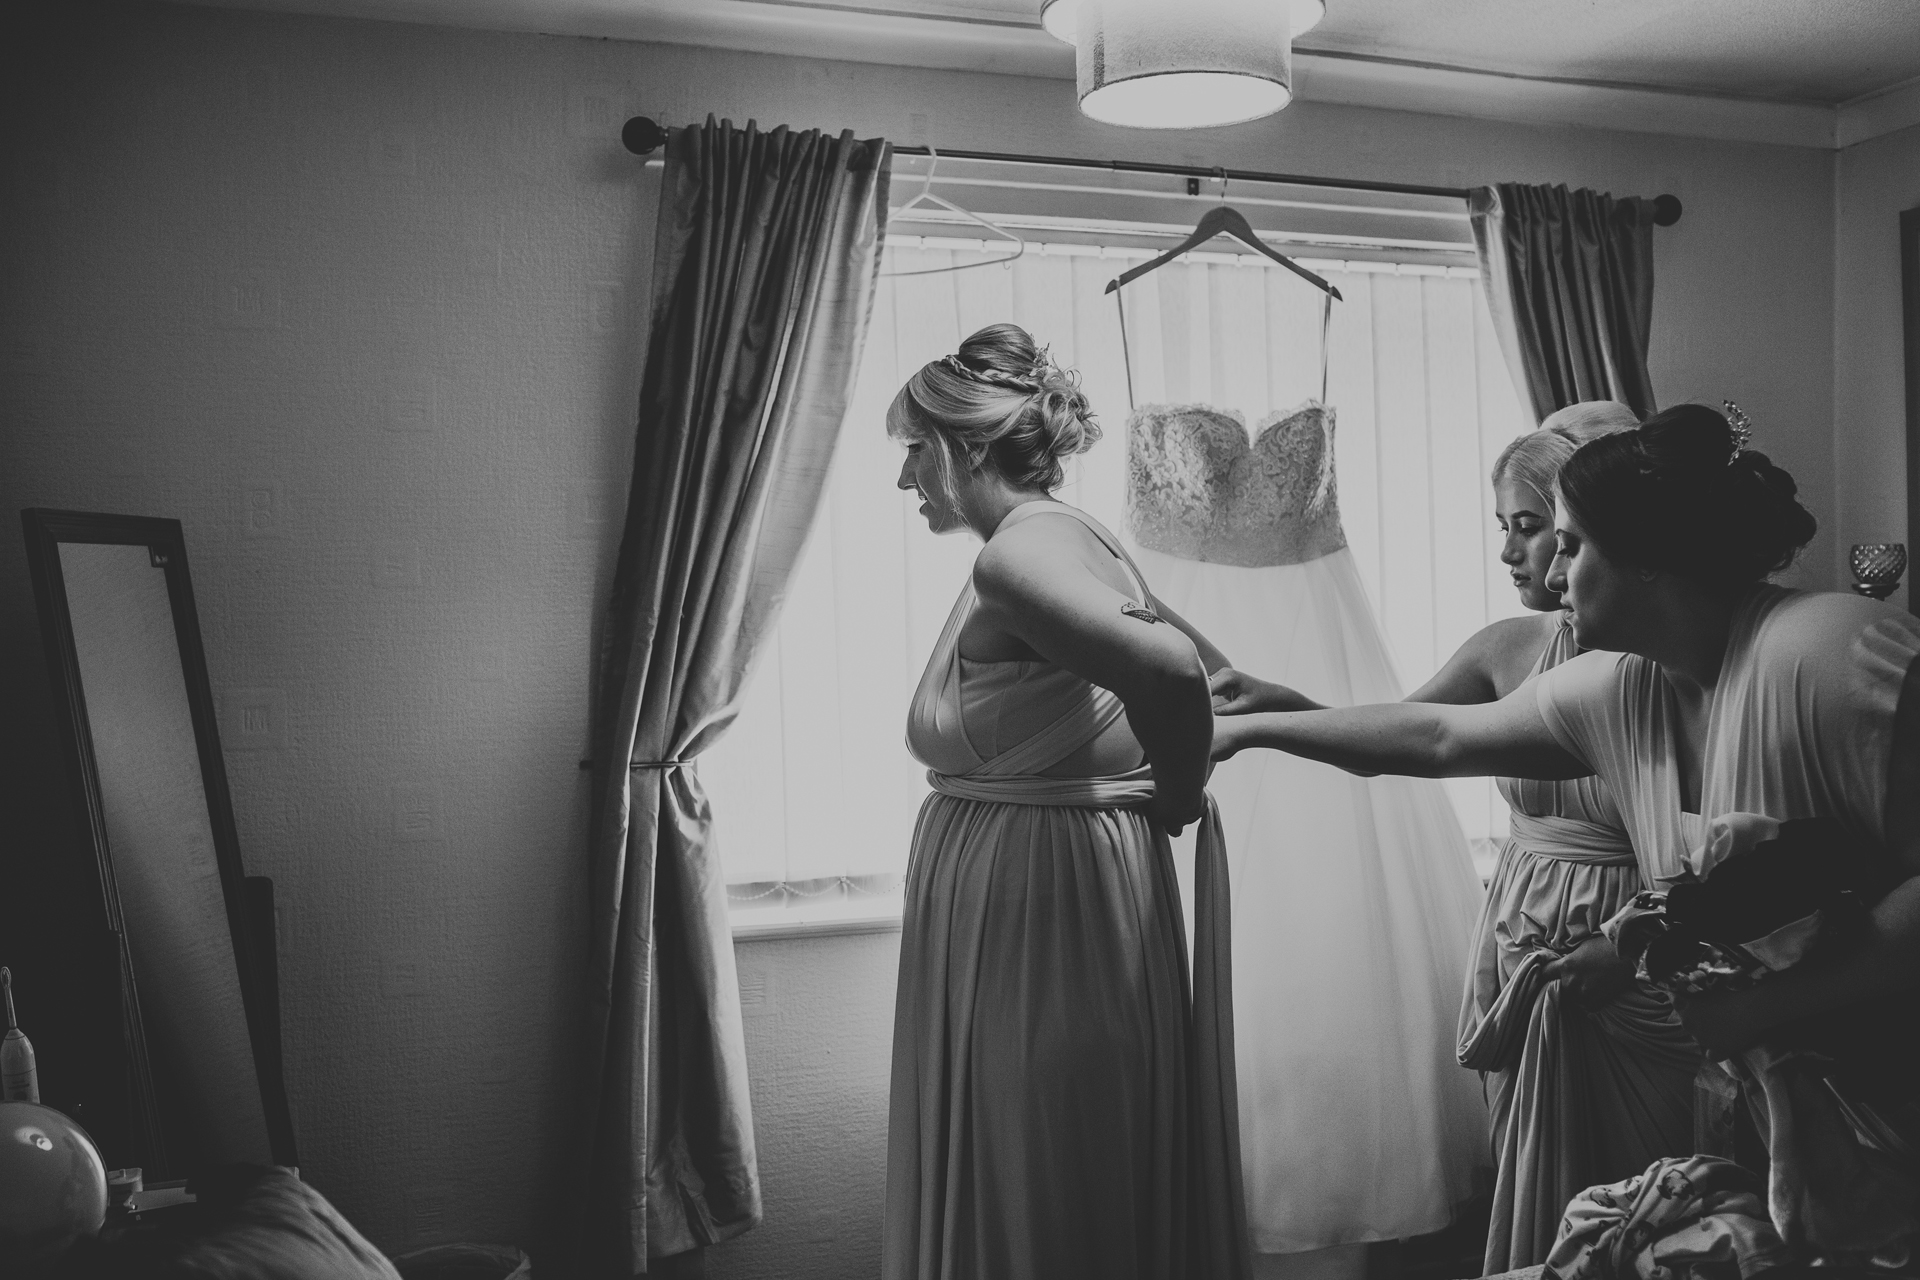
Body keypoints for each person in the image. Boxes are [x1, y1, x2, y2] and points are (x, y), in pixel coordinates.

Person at [1212, 403, 1920, 1262]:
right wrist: (1259, 726)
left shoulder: (1830, 654)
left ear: (1651, 560)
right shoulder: (1622, 688)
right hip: (1789, 1116)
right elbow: (1435, 737)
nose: (1552, 577)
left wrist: (1774, 1004)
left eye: (1572, 545)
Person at [1212, 400, 1700, 1273]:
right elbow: (1405, 733)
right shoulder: (1508, 648)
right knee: (1536, 1172)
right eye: (1503, 528)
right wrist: (1273, 705)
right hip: (1524, 930)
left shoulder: (1664, 668)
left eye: (1532, 529)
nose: (1511, 552)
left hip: (1628, 939)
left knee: (1647, 1189)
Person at [882, 323, 1251, 1280]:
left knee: (1040, 1145)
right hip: (1051, 887)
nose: (905, 480)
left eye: (913, 452)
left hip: (1042, 905)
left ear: (964, 447)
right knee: (1070, 1142)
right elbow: (1227, 681)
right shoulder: (1075, 539)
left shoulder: (1016, 557)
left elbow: (1175, 671)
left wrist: (1178, 792)